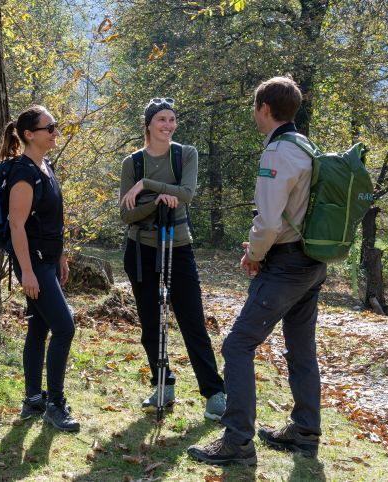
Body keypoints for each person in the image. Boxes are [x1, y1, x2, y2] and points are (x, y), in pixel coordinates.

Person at [188, 76, 328, 466]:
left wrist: (255, 254)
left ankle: (237, 441)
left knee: (237, 345)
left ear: (264, 109)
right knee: (301, 346)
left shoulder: (278, 152)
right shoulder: (305, 146)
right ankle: (304, 431)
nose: (254, 115)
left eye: (254, 109)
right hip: (312, 263)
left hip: (286, 264)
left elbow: (268, 222)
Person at [119, 98, 226, 421]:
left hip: (178, 246)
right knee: (151, 323)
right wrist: (157, 202)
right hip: (140, 249)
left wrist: (147, 187)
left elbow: (187, 195)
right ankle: (162, 385)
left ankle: (215, 393)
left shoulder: (185, 154)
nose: (168, 125)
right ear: (149, 124)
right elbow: (127, 213)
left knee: (192, 321)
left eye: (172, 119)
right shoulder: (132, 162)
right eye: (161, 119)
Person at [0, 105, 79, 432]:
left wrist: (60, 255)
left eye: (55, 126)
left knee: (38, 327)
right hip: (33, 264)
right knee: (65, 327)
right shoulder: (22, 172)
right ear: (30, 135)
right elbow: (16, 225)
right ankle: (55, 405)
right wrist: (27, 273)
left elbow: (51, 219)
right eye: (50, 127)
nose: (55, 131)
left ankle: (34, 398)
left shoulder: (45, 166)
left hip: (48, 259)